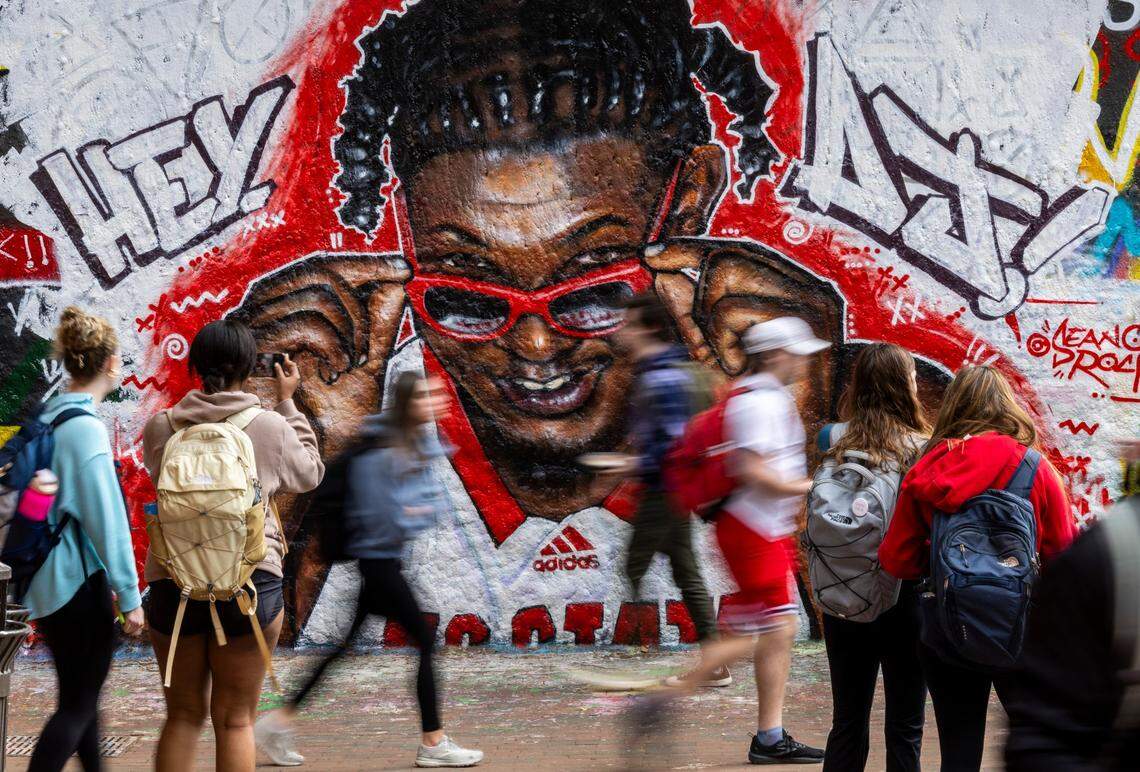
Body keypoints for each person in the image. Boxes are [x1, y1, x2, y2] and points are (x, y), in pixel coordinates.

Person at [231, 0, 852, 637]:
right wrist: (288, 482)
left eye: (593, 289)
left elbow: (870, 659)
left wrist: (803, 437)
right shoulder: (336, 408)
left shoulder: (843, 397)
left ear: (687, 206)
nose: (533, 345)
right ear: (405, 236)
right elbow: (241, 671)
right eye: (469, 296)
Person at [255, 372, 483, 768]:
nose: (439, 401)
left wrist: (413, 510)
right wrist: (409, 514)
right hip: (379, 563)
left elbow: (417, 508)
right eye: (430, 396)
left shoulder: (408, 443)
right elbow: (383, 516)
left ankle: (277, 723)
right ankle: (433, 743)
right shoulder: (386, 450)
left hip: (381, 564)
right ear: (411, 402)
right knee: (425, 645)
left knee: (343, 650)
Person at [141, 320, 324, 772]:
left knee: (182, 717)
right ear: (250, 367)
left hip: (174, 583)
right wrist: (287, 402)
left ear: (194, 367)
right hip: (250, 583)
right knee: (235, 720)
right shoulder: (270, 427)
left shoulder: (160, 428)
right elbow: (310, 474)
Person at [648, 316, 829, 764]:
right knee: (774, 628)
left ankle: (769, 736)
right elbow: (751, 470)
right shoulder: (760, 404)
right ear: (773, 355)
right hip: (753, 528)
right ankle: (665, 697)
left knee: (772, 630)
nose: (806, 360)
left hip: (759, 529)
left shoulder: (759, 397)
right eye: (798, 351)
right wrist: (810, 487)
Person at [878, 365, 1076, 771]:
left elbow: (897, 560)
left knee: (959, 748)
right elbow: (1064, 553)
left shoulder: (927, 469)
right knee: (1034, 743)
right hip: (1022, 627)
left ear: (953, 407)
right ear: (1007, 408)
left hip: (948, 628)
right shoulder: (1034, 468)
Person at [24, 307, 145, 772]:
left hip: (48, 584)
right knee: (77, 706)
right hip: (77, 586)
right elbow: (107, 522)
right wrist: (131, 596)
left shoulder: (49, 418)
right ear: (110, 362)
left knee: (82, 699)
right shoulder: (86, 430)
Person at [815, 343, 929, 772]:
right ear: (906, 385)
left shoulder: (830, 438)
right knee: (905, 723)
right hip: (905, 593)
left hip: (844, 589)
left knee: (847, 719)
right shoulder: (924, 446)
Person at [1004, 440, 1140, 771]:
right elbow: (1058, 537)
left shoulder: (1104, 555)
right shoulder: (1036, 468)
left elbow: (898, 558)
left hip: (939, 616)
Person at [609, 292, 725, 683]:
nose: (622, 332)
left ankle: (646, 651)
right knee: (684, 569)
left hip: (664, 489)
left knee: (636, 564)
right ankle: (714, 661)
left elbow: (677, 445)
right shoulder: (654, 373)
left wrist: (630, 464)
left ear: (650, 327)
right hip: (668, 489)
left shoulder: (661, 379)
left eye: (629, 324)